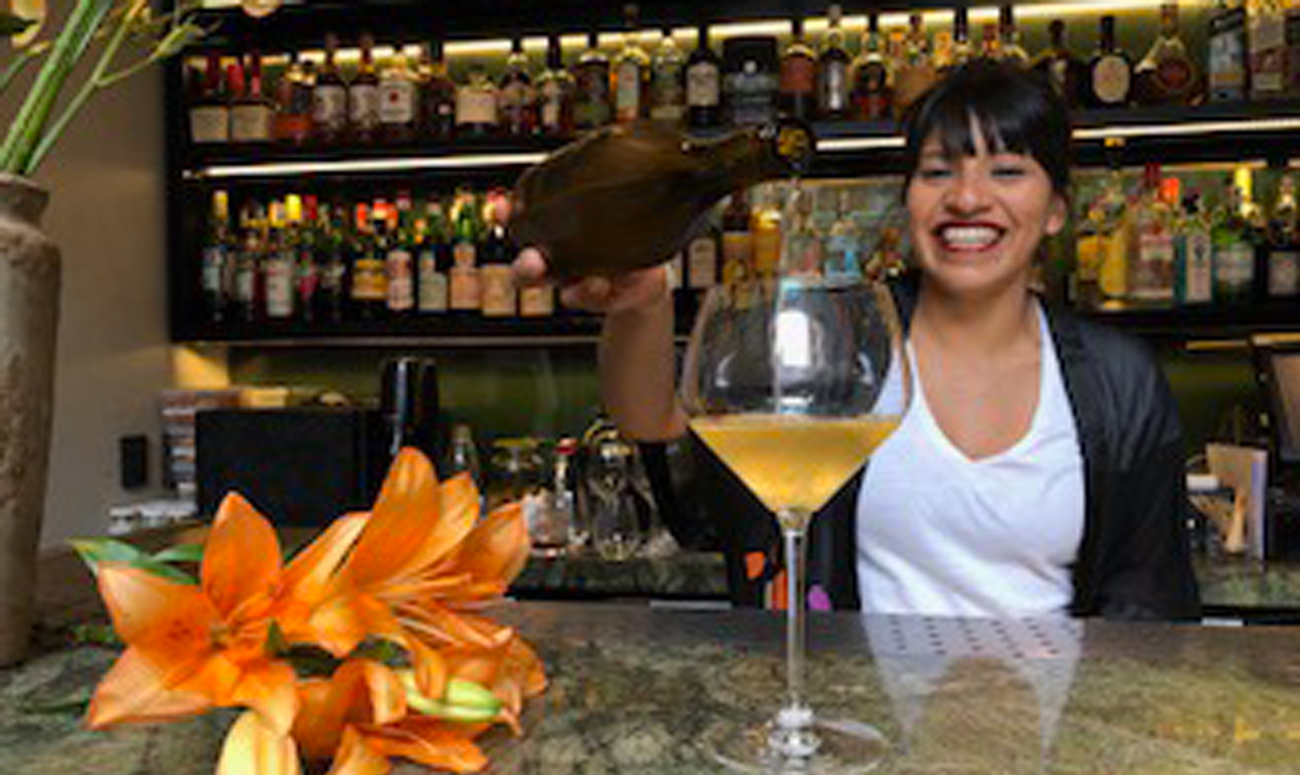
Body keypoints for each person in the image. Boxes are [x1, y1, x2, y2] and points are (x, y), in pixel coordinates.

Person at [513, 60, 1201, 621]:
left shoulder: (1119, 379)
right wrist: (641, 305)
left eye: (1007, 171)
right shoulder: (846, 341)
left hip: (1046, 736)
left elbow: (1148, 603)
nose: (966, 197)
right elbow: (657, 421)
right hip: (859, 727)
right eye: (937, 172)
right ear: (908, 201)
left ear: (1055, 210)